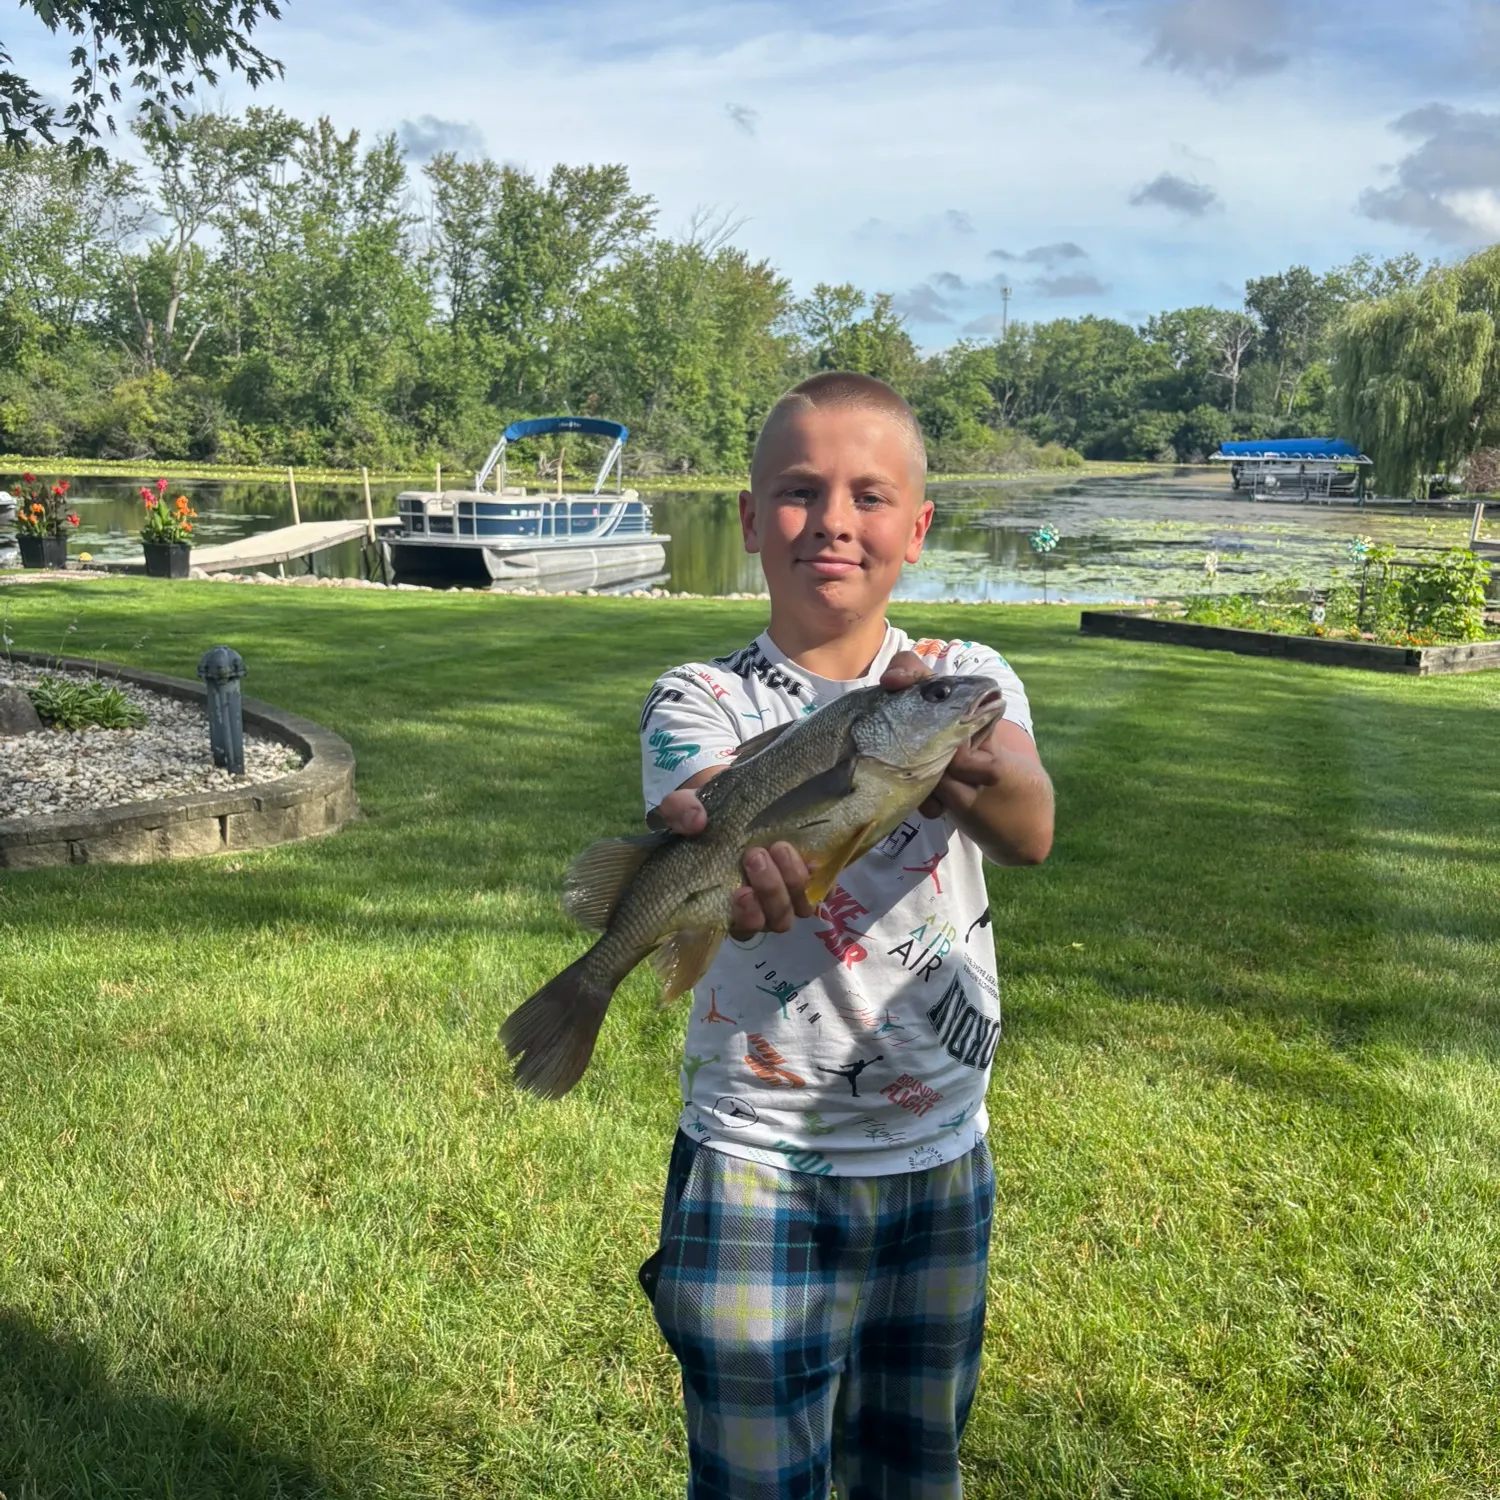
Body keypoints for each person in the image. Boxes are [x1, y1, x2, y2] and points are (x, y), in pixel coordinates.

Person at [637, 371, 1054, 1499]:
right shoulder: (698, 698)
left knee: (915, 1467)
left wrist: (957, 752)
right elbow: (717, 809)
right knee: (756, 1478)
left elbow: (1031, 826)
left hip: (940, 1157)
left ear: (916, 531)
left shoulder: (966, 679)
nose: (831, 521)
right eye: (797, 492)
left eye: (870, 497)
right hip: (755, 1156)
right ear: (745, 519)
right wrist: (742, 855)